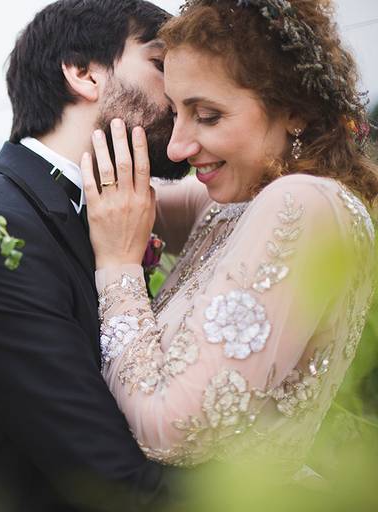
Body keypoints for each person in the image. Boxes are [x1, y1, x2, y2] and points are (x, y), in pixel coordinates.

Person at [0, 1, 189, 510]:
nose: (182, 90)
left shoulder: (103, 210)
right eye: (161, 64)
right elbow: (113, 481)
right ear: (83, 72)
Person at [83, 0, 376, 476]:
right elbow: (132, 198)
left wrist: (118, 265)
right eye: (175, 111)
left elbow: (170, 429)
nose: (177, 146)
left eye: (208, 115)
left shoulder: (303, 203)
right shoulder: (242, 200)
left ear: (294, 110)